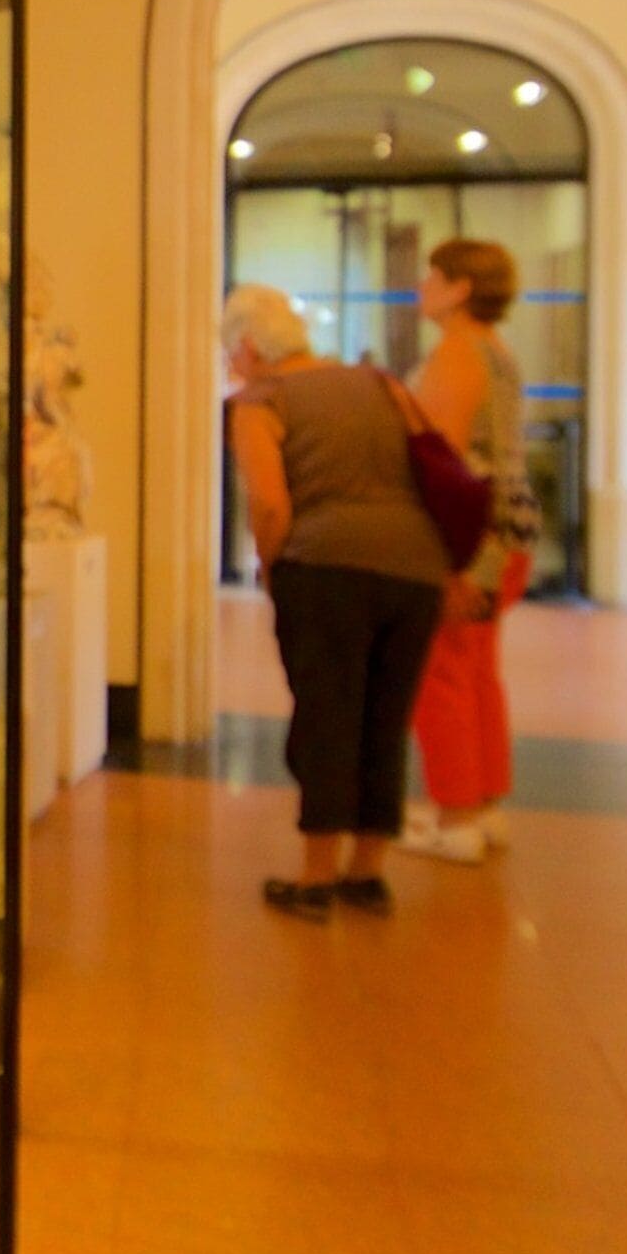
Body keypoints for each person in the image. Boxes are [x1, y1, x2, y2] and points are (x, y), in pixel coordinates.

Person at [224, 284, 448, 916]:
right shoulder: (381, 384)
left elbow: (270, 503)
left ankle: (316, 877)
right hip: (415, 570)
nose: (232, 366)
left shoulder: (260, 401)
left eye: (230, 353)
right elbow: (434, 461)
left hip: (325, 570)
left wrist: (270, 567)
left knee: (327, 717)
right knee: (385, 717)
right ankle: (366, 872)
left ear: (247, 346)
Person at [400, 240, 544, 863]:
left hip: (471, 539)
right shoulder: (499, 352)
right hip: (508, 534)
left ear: (459, 288)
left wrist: (449, 560)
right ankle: (483, 807)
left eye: (432, 276)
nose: (421, 286)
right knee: (478, 671)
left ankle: (455, 816)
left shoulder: (457, 353)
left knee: (441, 674)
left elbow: (444, 464)